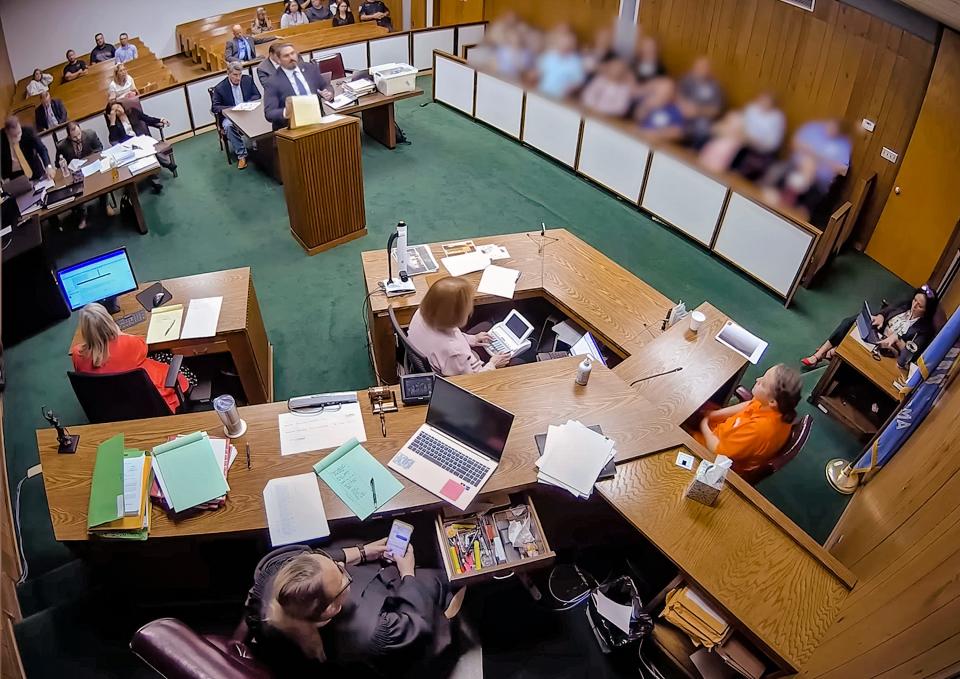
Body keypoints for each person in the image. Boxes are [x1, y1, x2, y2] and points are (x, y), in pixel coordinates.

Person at [246, 537, 454, 676]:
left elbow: (315, 559)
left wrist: (363, 552)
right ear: (330, 609)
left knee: (351, 541)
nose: (342, 565)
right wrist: (408, 573)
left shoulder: (274, 580)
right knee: (433, 580)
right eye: (343, 577)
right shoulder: (370, 633)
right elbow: (414, 623)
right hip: (370, 659)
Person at [70, 303, 189, 413]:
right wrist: (119, 333)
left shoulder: (77, 354)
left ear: (85, 330)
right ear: (109, 321)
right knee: (167, 358)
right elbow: (143, 346)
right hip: (150, 399)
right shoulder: (129, 344)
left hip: (112, 406)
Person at [692, 364, 802, 475]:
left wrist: (704, 423)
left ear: (773, 402)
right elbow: (749, 404)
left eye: (762, 383)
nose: (757, 379)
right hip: (724, 433)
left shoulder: (757, 429)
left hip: (719, 459)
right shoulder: (770, 405)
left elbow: (718, 452)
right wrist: (713, 415)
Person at [801, 287, 940, 368]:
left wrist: (897, 339)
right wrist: (880, 316)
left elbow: (911, 354)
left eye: (919, 306)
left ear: (927, 310)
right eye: (915, 300)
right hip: (877, 333)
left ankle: (833, 352)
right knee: (853, 319)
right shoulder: (906, 304)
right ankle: (819, 354)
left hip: (889, 351)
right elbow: (887, 310)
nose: (914, 305)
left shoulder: (925, 329)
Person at [406, 276, 511, 376]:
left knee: (486, 325)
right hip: (465, 374)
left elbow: (451, 333)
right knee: (517, 361)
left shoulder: (421, 313)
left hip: (442, 357)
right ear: (456, 314)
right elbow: (472, 380)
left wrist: (472, 339)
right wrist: (493, 364)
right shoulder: (454, 353)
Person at [104, 102, 174, 191]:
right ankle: (166, 165)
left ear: (122, 106)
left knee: (147, 150)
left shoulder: (133, 112)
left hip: (141, 139)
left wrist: (161, 120)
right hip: (128, 146)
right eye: (114, 110)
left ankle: (155, 180)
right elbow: (113, 139)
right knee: (146, 152)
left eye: (118, 106)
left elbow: (147, 118)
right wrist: (112, 122)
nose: (118, 109)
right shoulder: (114, 124)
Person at [263, 43, 333, 130]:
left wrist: (328, 93)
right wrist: (287, 112)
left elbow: (325, 85)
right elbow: (269, 113)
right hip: (292, 129)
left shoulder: (309, 68)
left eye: (293, 53)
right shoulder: (272, 82)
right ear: (278, 60)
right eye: (286, 56)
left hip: (318, 121)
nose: (291, 58)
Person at [56, 121, 112, 229]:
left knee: (103, 179)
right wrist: (67, 165)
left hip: (92, 167)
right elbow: (57, 164)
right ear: (69, 136)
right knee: (75, 189)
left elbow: (100, 148)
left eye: (79, 135)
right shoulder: (62, 146)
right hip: (76, 173)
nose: (78, 138)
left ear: (80, 129)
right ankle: (82, 215)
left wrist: (89, 159)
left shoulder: (90, 134)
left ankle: (106, 204)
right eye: (74, 137)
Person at [212, 61, 262, 169]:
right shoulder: (220, 88)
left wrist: (247, 104)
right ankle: (242, 155)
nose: (238, 78)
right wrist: (232, 109)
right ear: (228, 73)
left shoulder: (247, 80)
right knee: (228, 126)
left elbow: (257, 95)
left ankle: (259, 146)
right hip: (231, 115)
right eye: (235, 75)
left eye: (239, 74)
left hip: (248, 111)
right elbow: (215, 107)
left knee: (261, 117)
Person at [677, 57, 724, 149]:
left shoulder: (715, 87)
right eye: (698, 67)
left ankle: (692, 151)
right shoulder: (686, 80)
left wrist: (698, 111)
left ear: (709, 70)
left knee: (703, 127)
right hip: (681, 111)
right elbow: (677, 94)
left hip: (700, 118)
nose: (701, 70)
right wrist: (683, 107)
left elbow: (716, 110)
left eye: (704, 67)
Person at [535, 26, 585, 99]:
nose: (564, 45)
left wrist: (571, 88)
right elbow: (538, 71)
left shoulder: (576, 63)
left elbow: (578, 82)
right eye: (563, 42)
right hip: (541, 92)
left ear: (572, 45)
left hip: (560, 98)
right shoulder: (550, 55)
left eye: (568, 43)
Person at [1, 117, 54, 181]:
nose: (18, 137)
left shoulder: (28, 131)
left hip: (35, 173)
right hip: (16, 178)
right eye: (14, 135)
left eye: (19, 133)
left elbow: (42, 149)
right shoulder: (1, 139)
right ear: (7, 132)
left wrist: (48, 166)